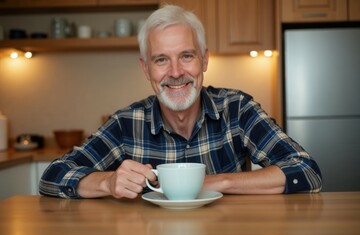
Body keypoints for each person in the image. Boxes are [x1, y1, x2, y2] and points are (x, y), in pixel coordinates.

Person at [39, 5, 322, 199]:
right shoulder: (126, 123)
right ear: (146, 68)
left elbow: (306, 170)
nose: (175, 73)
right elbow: (52, 176)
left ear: (204, 60)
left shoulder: (236, 109)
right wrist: (107, 181)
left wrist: (216, 181)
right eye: (161, 59)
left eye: (186, 56)